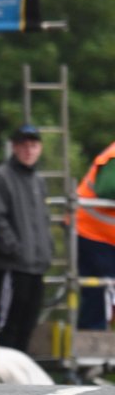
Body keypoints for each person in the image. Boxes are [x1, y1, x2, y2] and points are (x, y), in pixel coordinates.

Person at [0, 124, 53, 352]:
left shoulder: (38, 181)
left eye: (33, 145)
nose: (29, 150)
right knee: (8, 325)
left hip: (35, 266)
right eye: (23, 145)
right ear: (14, 147)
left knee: (28, 325)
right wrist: (14, 249)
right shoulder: (0, 177)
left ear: (39, 148)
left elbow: (43, 220)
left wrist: (46, 251)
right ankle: (3, 383)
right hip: (11, 266)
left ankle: (20, 382)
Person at [76, 140, 115, 330]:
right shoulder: (114, 155)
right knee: (99, 291)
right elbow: (106, 189)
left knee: (100, 291)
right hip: (92, 232)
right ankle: (93, 338)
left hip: (100, 235)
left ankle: (94, 335)